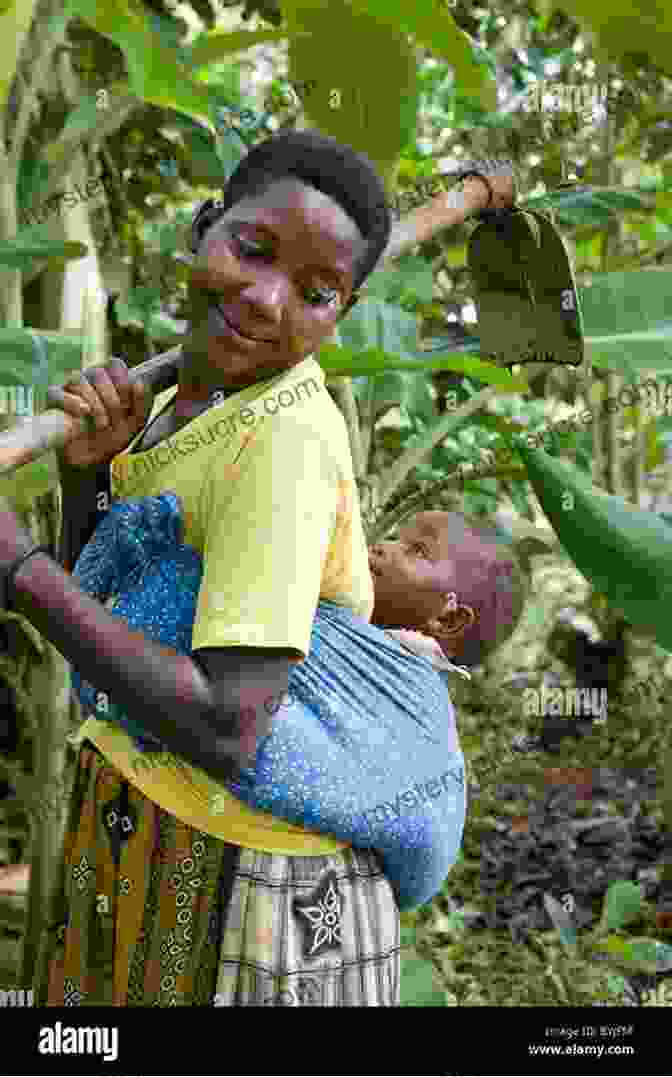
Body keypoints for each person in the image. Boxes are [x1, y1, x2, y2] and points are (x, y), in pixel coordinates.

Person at [0, 130, 513, 1006]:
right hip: (140, 835)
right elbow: (122, 609)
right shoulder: (185, 397)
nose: (269, 300)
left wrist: (21, 570)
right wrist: (89, 471)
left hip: (249, 892)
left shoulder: (282, 439)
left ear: (338, 317)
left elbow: (231, 725)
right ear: (204, 228)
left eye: (316, 293)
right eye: (252, 248)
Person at [68, 494, 525, 911]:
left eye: (416, 550)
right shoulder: (325, 615)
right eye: (394, 536)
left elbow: (425, 810)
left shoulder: (407, 691)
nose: (383, 547)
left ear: (448, 617)